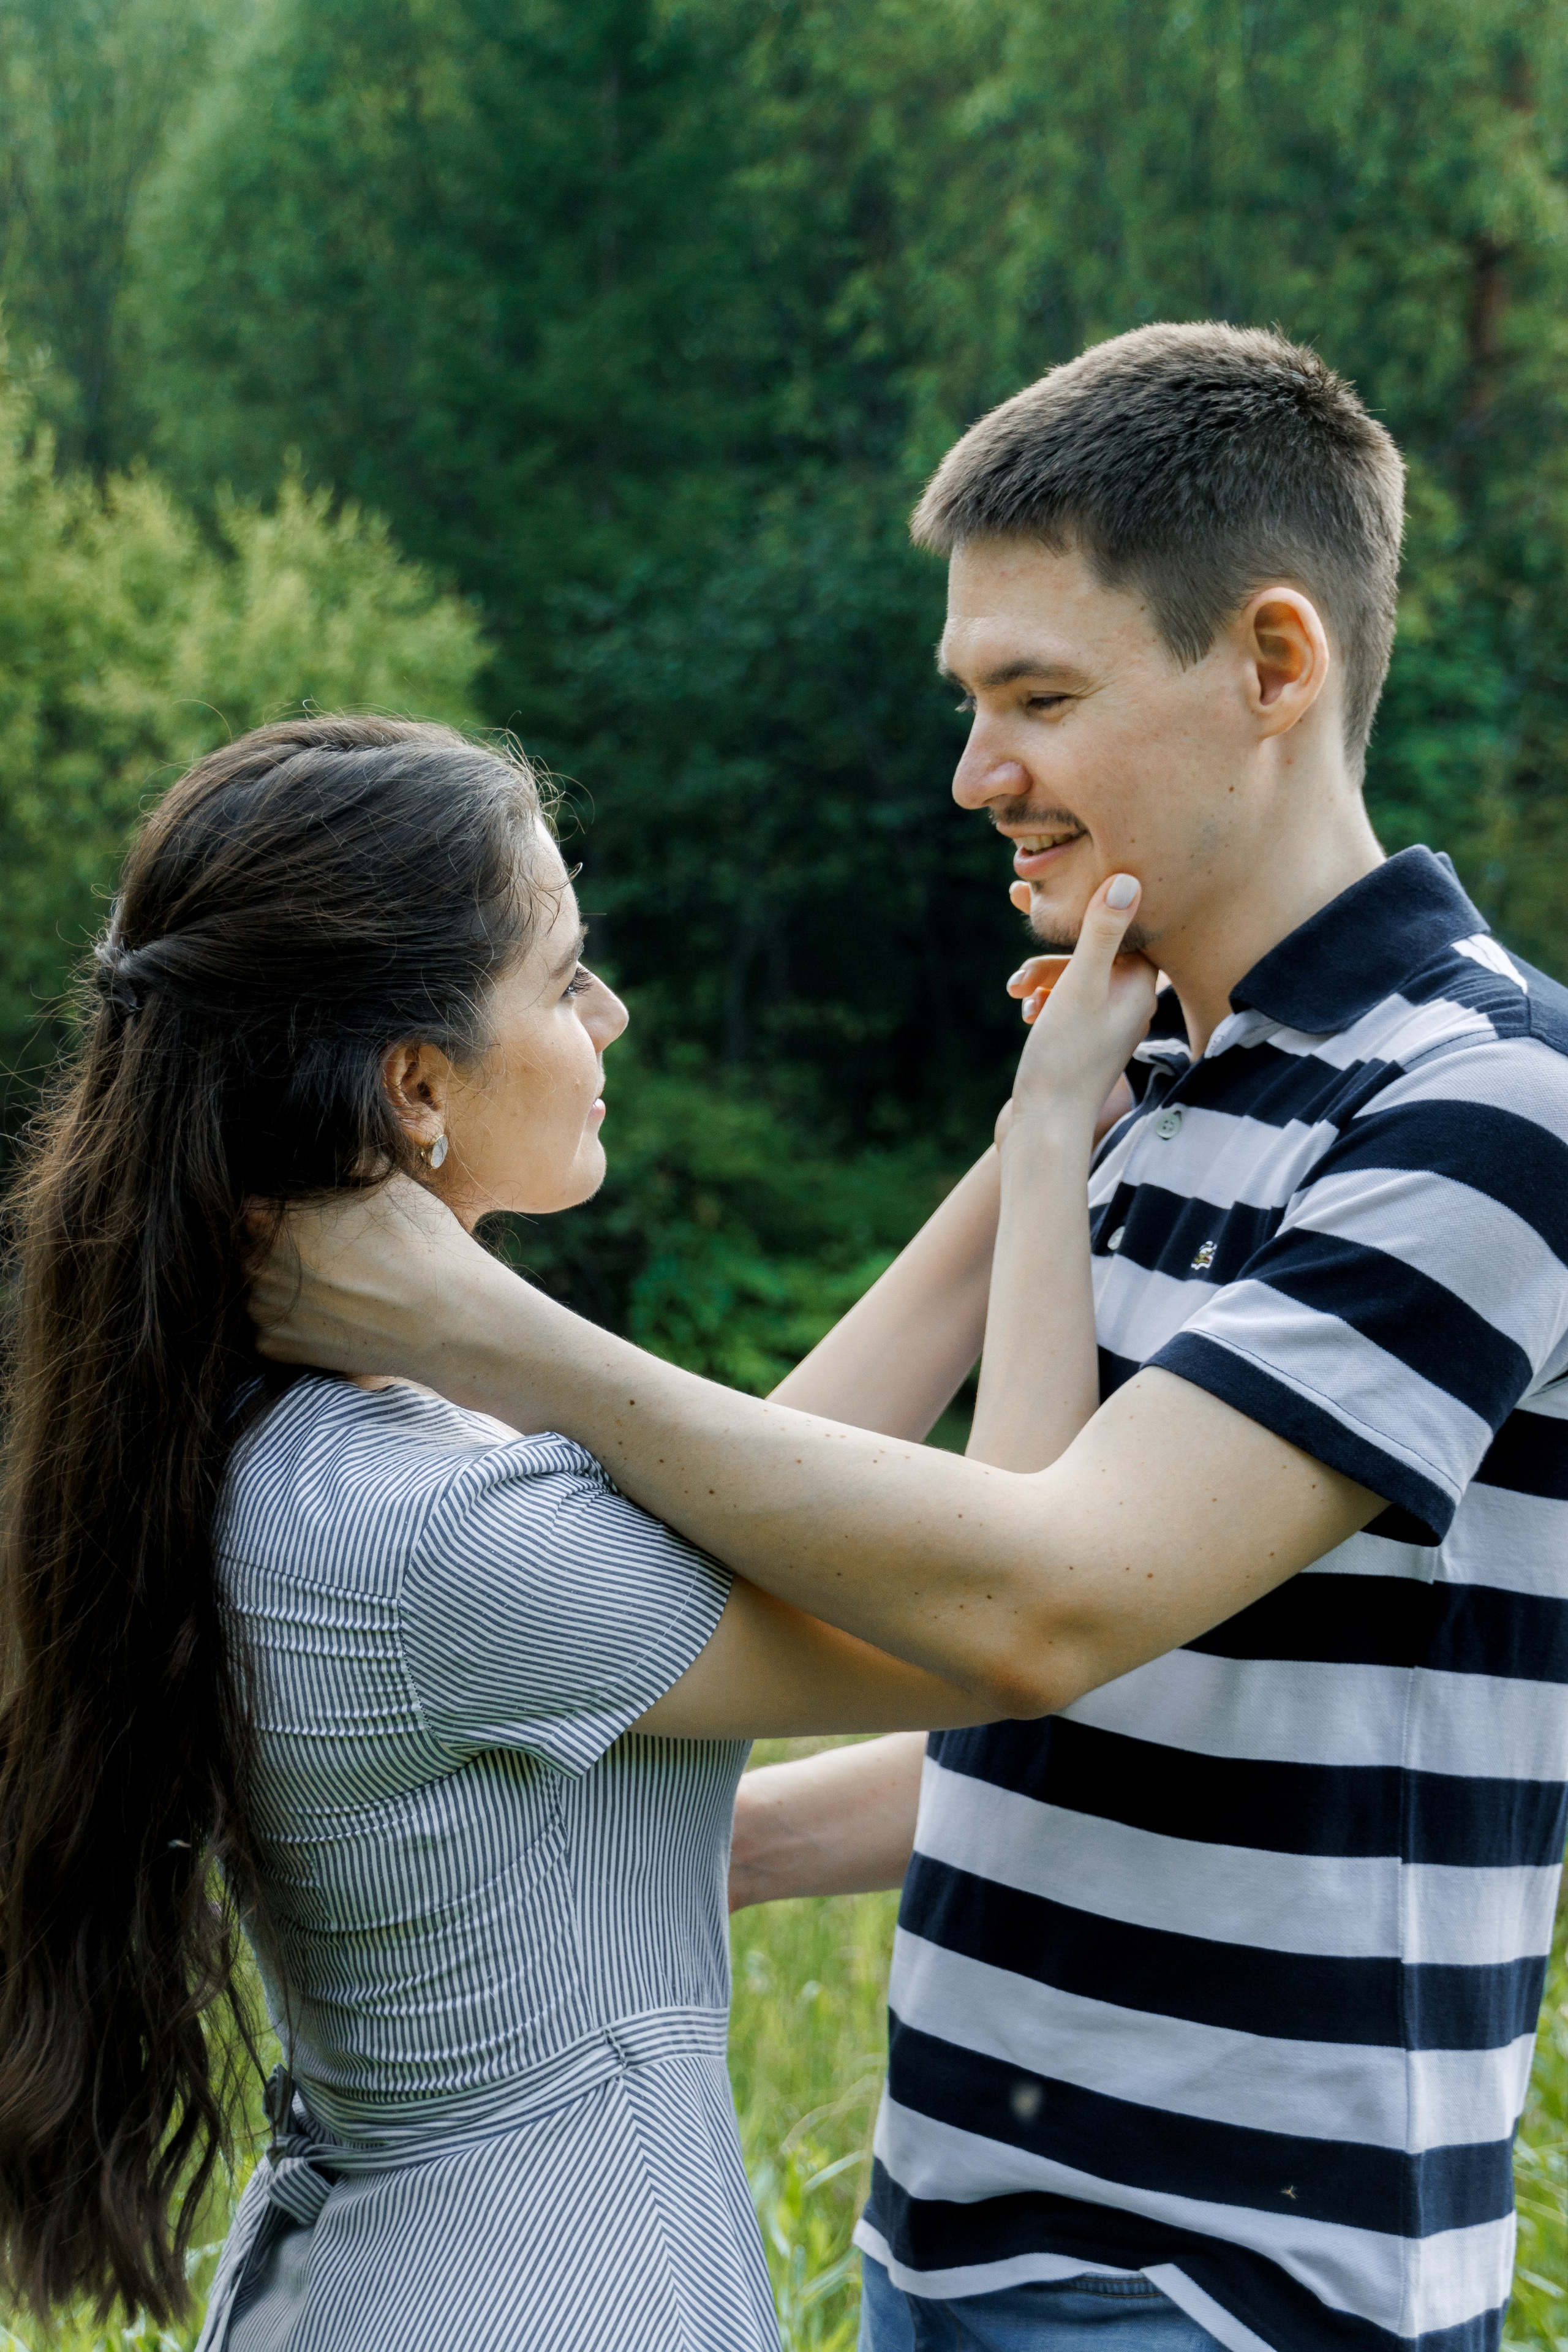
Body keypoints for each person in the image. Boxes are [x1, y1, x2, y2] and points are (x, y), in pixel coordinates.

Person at [251, 325, 1568, 2352]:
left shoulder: (1487, 1108)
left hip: (1237, 2282)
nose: (977, 776)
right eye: (972, 703)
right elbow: (1077, 1695)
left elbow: (1037, 1610)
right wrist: (629, 1846)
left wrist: (469, 1324)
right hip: (949, 2234)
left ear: (1276, 665)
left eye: (1037, 697)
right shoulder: (1129, 1089)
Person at [0, 712, 1155, 2352]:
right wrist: (1047, 1152)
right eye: (564, 976)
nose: (608, 1014)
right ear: (418, 1088)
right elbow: (997, 1606)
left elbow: (771, 1497)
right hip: (539, 2294)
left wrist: (1037, 1123)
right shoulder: (423, 1530)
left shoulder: (298, 1443)